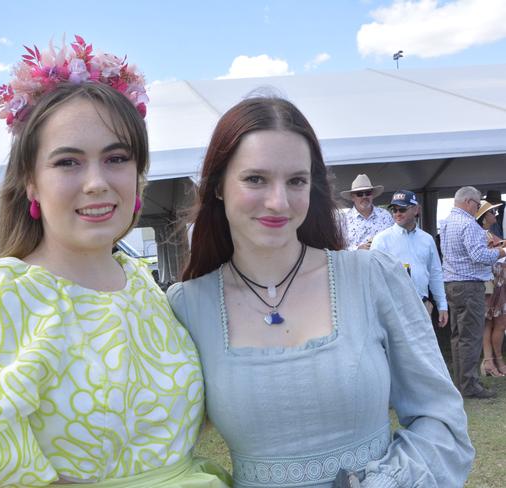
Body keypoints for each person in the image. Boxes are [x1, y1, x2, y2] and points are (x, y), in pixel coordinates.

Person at [0, 38, 230, 487]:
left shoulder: (145, 289)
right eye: (68, 162)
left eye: (116, 158)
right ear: (31, 184)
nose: (96, 182)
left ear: (138, 174)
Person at [168, 96, 473, 487]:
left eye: (296, 180)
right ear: (218, 187)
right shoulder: (187, 307)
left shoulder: (371, 276)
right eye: (255, 179)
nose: (278, 202)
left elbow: (440, 418)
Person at [441, 186, 506, 399]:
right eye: (478, 204)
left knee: (458, 337)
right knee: (470, 337)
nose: (478, 208)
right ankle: (469, 385)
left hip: (452, 284)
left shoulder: (448, 222)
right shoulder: (468, 224)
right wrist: (501, 251)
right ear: (469, 202)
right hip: (470, 285)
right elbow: (479, 256)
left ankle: (460, 382)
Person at [370, 190, 448, 327]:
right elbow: (373, 277)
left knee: (425, 348)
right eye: (394, 210)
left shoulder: (427, 239)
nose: (397, 213)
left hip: (422, 304)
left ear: (416, 209)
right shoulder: (381, 240)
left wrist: (442, 305)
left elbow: (435, 274)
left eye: (402, 209)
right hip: (394, 307)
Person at [475, 200, 506, 377]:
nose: (495, 215)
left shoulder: (488, 234)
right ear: (483, 218)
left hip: (498, 284)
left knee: (498, 322)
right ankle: (490, 361)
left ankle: (494, 360)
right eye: (491, 212)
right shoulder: (482, 235)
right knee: (490, 322)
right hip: (490, 283)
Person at [340, 174, 393, 250]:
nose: (364, 197)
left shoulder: (385, 215)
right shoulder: (343, 220)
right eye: (359, 194)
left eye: (368, 193)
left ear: (372, 195)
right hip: (356, 261)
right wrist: (357, 249)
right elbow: (339, 248)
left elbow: (394, 241)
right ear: (352, 197)